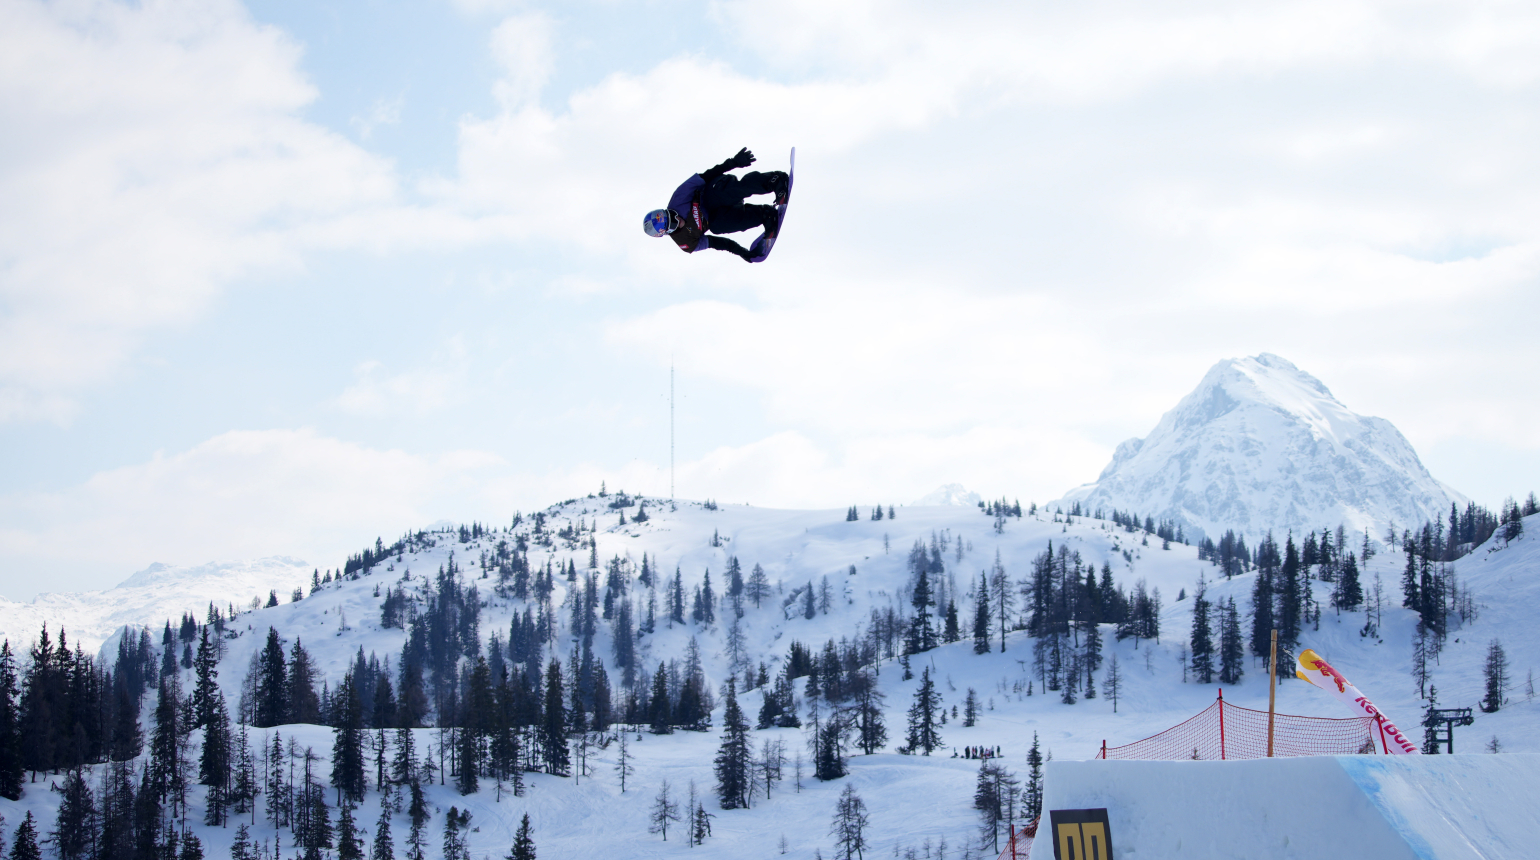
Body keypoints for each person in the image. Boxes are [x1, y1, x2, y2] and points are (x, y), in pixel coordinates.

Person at [643, 148, 789, 261]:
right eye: (673, 223)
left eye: (672, 215)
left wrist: (734, 162)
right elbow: (716, 243)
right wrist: (741, 252)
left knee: (717, 195)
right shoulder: (685, 242)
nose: (678, 219)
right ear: (668, 232)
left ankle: (774, 180)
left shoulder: (678, 198)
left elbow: (707, 175)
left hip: (716, 191)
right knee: (717, 227)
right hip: (722, 214)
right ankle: (765, 215)